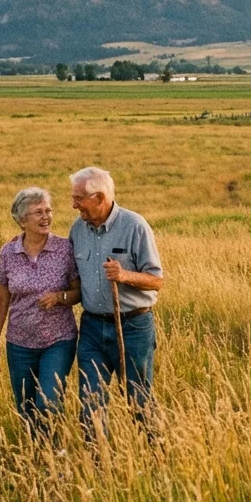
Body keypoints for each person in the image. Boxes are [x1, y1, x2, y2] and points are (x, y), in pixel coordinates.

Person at [68, 167, 165, 442]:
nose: (74, 205)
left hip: (133, 326)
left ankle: (156, 453)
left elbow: (156, 280)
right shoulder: (77, 228)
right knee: (90, 402)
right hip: (92, 327)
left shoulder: (135, 226)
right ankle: (98, 464)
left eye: (78, 198)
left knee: (138, 399)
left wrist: (124, 276)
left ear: (99, 198)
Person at [0, 187, 82, 438]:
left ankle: (56, 457)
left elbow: (78, 292)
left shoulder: (64, 249)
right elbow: (0, 299)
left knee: (48, 403)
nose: (46, 217)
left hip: (58, 340)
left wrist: (60, 297)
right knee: (26, 408)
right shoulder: (8, 252)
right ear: (21, 220)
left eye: (48, 210)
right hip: (19, 343)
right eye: (38, 212)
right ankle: (38, 461)